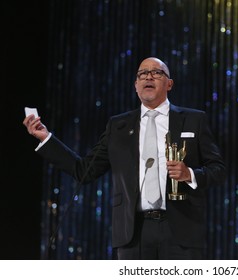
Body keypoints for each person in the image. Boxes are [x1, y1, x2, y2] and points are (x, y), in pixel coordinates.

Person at [23, 57, 226, 260]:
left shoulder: (194, 120)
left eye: (156, 72)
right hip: (133, 233)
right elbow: (84, 171)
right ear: (136, 85)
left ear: (169, 84)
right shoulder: (118, 126)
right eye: (142, 74)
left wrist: (189, 174)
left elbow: (218, 169)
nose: (148, 76)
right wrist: (46, 138)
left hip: (181, 231)